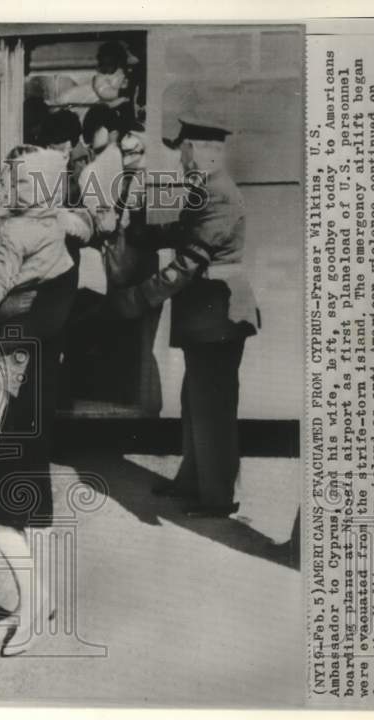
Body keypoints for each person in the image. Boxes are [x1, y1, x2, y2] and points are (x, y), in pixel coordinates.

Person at [0, 145, 91, 656]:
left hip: (11, 387)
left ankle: (31, 611)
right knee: (5, 500)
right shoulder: (50, 230)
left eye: (27, 181)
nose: (16, 188)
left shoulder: (26, 237)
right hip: (23, 384)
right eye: (15, 179)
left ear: (47, 186)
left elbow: (9, 302)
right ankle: (36, 602)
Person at [111, 120, 260, 517]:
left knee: (212, 407)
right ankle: (193, 480)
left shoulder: (218, 193)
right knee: (197, 401)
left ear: (197, 148)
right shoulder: (209, 188)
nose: (180, 158)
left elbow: (190, 261)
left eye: (183, 151)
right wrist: (145, 233)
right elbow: (185, 231)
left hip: (218, 313)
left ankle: (217, 498)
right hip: (208, 314)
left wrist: (138, 298)